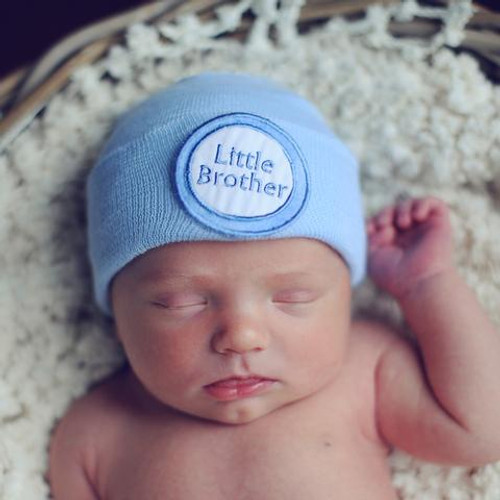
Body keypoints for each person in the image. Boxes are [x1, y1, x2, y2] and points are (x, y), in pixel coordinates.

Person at [49, 73, 500, 499]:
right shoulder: (95, 432)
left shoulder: (362, 371)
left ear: (346, 295)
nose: (242, 336)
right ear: (117, 309)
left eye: (292, 297)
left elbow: (484, 427)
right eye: (179, 301)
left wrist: (426, 285)